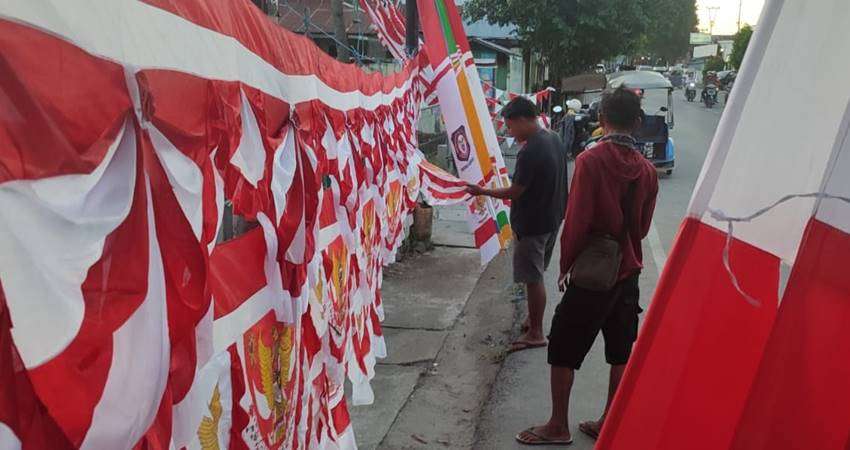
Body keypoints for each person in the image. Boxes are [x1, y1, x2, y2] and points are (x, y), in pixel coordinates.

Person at [515, 87, 658, 445]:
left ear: (602, 120)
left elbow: (576, 221)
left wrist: (565, 266)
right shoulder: (647, 171)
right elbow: (641, 228)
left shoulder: (591, 161)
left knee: (563, 347)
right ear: (638, 122)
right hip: (629, 271)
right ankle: (609, 421)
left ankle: (558, 426)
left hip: (593, 272)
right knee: (620, 350)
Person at [467, 96, 568, 352]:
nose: (509, 132)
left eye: (510, 126)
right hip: (552, 218)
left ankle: (536, 332)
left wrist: (483, 191)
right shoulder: (553, 138)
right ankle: (532, 319)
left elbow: (515, 191)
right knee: (537, 272)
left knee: (533, 278)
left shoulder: (531, 150)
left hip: (533, 224)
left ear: (523, 120)